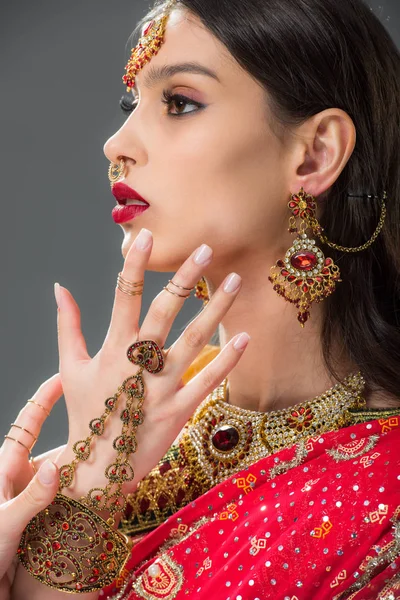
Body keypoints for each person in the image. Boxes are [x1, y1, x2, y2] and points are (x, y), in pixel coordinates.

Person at [1, 0, 399, 597]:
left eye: (179, 103)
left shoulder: (383, 494)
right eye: (130, 106)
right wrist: (85, 491)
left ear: (315, 153)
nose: (116, 143)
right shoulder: (122, 448)